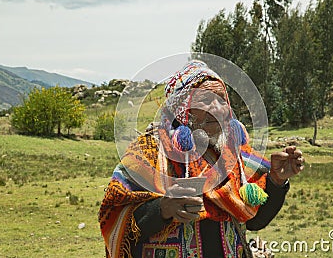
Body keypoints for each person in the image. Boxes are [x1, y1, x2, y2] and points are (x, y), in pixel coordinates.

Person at [99, 60, 305, 258]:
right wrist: (163, 208)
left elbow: (254, 222)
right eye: (206, 101)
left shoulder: (235, 157)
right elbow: (114, 217)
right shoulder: (148, 152)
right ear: (180, 109)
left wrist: (276, 181)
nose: (217, 109)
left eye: (222, 100)